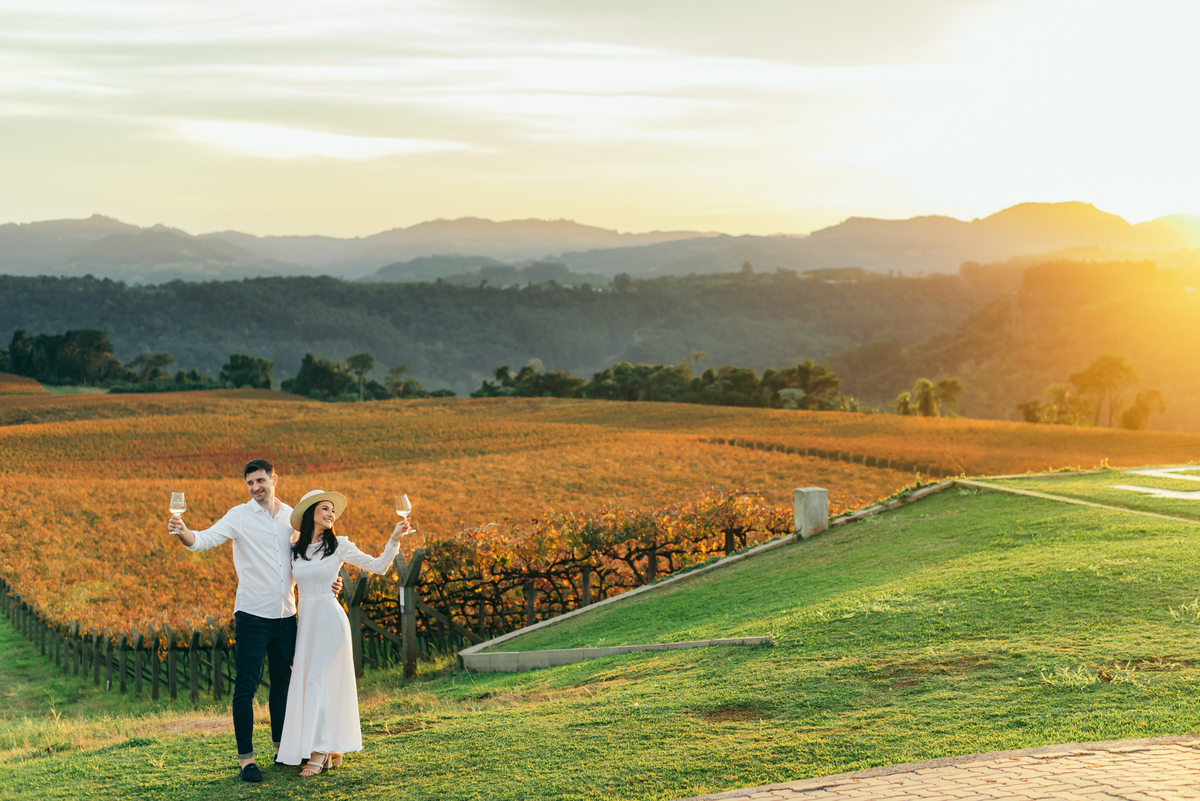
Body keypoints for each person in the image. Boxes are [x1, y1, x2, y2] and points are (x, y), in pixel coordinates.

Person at [167, 458, 342, 784]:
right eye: (250, 483)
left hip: (287, 615)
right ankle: (246, 761)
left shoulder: (293, 517)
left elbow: (312, 553)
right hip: (252, 615)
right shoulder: (239, 516)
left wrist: (332, 581)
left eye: (260, 480)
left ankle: (282, 748)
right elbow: (203, 540)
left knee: (284, 687)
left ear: (274, 478)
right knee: (245, 689)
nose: (255, 487)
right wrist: (184, 532)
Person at [276, 489, 407, 777]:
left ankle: (320, 751)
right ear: (311, 513)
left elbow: (379, 566)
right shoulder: (295, 549)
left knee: (320, 682)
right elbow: (288, 584)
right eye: (324, 509)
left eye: (332, 510)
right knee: (310, 681)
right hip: (306, 623)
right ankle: (328, 746)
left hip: (330, 621)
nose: (331, 514)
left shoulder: (340, 546)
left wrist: (394, 538)